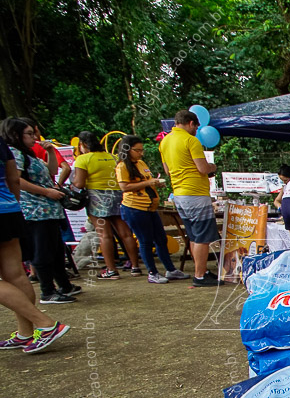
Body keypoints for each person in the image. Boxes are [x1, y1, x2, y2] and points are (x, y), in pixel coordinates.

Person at [0, 135, 69, 353]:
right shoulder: (2, 144)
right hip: (8, 209)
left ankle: (45, 324)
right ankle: (25, 332)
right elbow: (13, 178)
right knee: (15, 274)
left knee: (13, 275)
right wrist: (13, 204)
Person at [2, 118, 81, 304]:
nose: (34, 137)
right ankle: (48, 290)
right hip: (35, 211)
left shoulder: (29, 154)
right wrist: (46, 192)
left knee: (55, 250)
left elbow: (52, 171)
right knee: (42, 251)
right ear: (16, 135)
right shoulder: (14, 153)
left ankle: (64, 285)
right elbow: (16, 180)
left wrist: (51, 152)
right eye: (29, 134)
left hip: (49, 210)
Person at [159, 109, 221, 287]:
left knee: (193, 236)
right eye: (196, 127)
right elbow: (202, 168)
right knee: (203, 236)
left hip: (178, 194)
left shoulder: (165, 141)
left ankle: (199, 271)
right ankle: (200, 276)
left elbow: (166, 170)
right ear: (191, 123)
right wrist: (213, 166)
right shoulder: (190, 140)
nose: (197, 131)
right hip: (195, 193)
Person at [115, 136, 189, 284]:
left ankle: (170, 269)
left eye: (142, 150)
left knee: (161, 239)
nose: (141, 153)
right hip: (135, 208)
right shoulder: (122, 166)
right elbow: (124, 187)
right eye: (137, 150)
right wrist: (148, 183)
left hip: (150, 207)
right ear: (128, 150)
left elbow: (144, 181)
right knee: (145, 241)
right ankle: (152, 272)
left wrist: (154, 184)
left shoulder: (141, 163)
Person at [73, 131, 142, 279]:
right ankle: (135, 266)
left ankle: (111, 270)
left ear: (83, 145)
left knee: (104, 235)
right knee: (126, 233)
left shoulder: (83, 159)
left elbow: (78, 183)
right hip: (117, 194)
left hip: (96, 197)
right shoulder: (112, 157)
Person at [26, 119, 70, 186]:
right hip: (47, 188)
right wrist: (58, 186)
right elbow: (66, 168)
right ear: (36, 128)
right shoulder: (45, 147)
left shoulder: (15, 151)